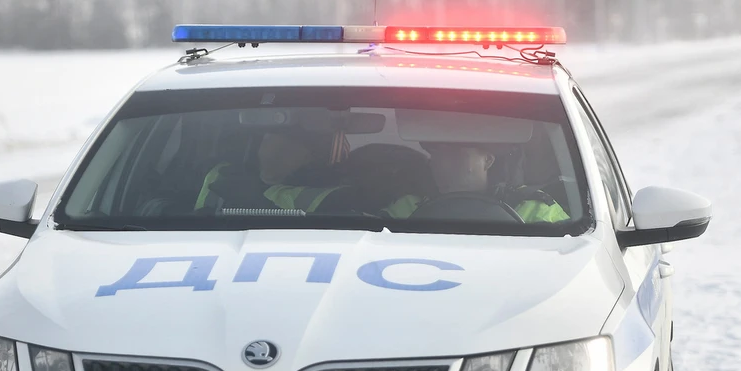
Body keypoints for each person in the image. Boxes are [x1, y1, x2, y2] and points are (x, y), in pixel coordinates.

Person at [380, 142, 570, 222]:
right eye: (437, 155)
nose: (441, 165)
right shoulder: (406, 208)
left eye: (456, 155)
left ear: (488, 161)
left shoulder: (536, 209)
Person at [193, 126, 360, 214]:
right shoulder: (220, 175)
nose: (272, 153)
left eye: (287, 149)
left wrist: (256, 204)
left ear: (308, 160)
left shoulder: (328, 197)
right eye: (268, 142)